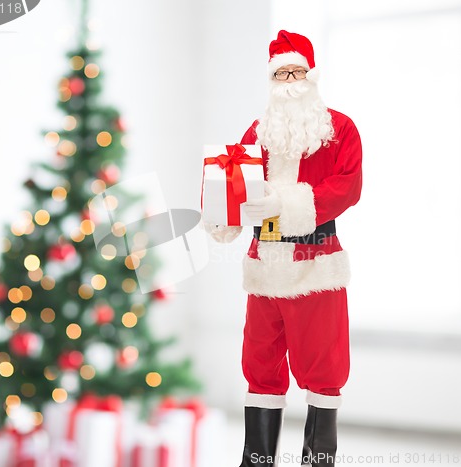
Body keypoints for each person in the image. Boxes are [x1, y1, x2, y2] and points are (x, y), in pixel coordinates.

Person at [205, 30, 362, 466]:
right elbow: (235, 183)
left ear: (310, 76)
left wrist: (286, 203)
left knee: (324, 369)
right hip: (265, 266)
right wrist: (221, 212)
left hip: (316, 265)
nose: (289, 80)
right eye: (281, 73)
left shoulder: (340, 128)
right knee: (260, 365)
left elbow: (347, 187)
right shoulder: (258, 131)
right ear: (272, 79)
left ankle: (318, 460)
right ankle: (257, 460)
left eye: (296, 71)